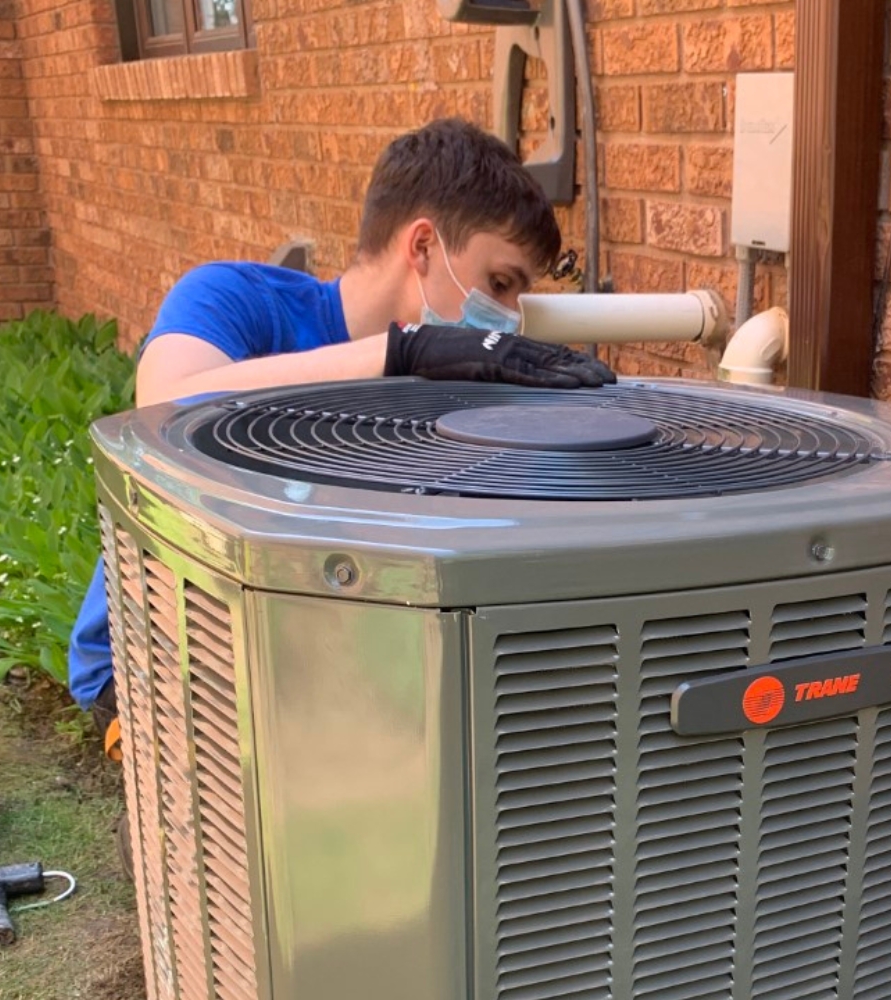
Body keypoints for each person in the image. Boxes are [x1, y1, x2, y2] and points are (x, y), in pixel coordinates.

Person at [69, 117, 614, 791]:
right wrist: (400, 352)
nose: (507, 316)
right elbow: (161, 409)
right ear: (423, 245)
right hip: (163, 658)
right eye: (499, 284)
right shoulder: (238, 300)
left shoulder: (451, 388)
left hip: (320, 649)